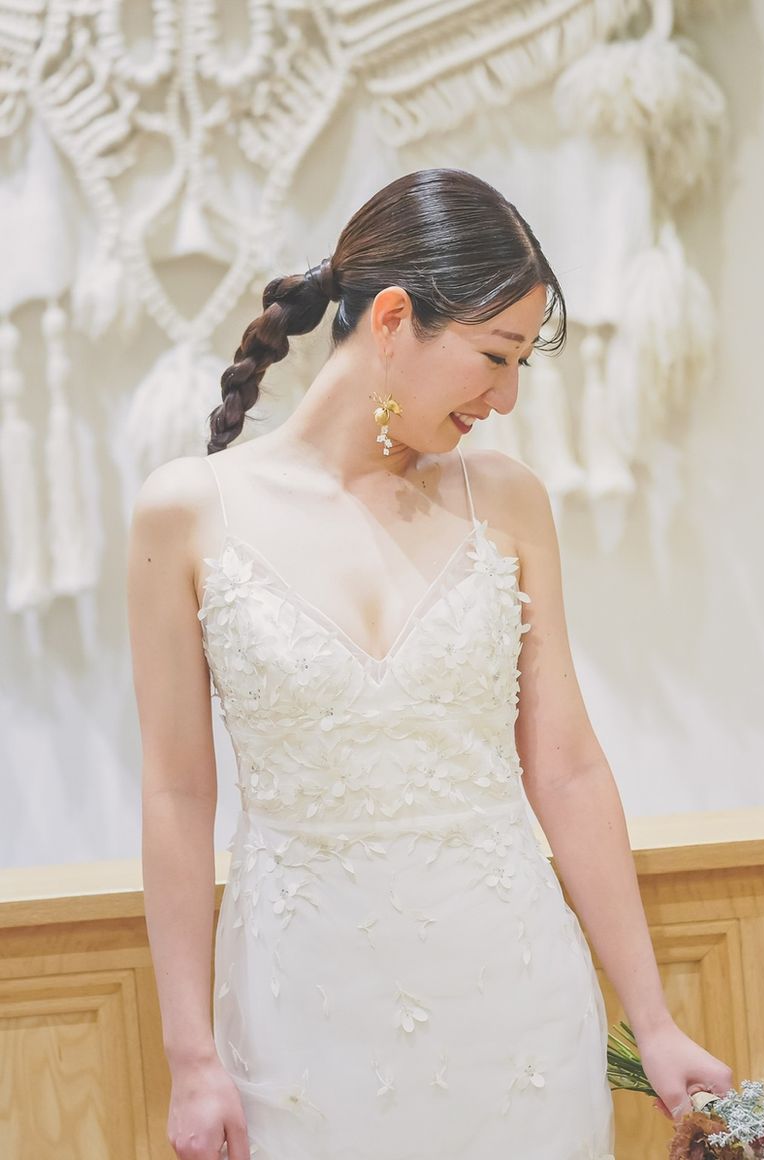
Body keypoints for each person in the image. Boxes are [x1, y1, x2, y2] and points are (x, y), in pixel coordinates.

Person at [127, 167, 731, 1160]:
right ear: (394, 318)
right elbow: (177, 794)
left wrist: (653, 1021)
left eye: (521, 364)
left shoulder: (508, 500)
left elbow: (567, 768)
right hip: (299, 1015)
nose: (506, 397)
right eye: (494, 356)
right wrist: (191, 1057)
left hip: (516, 1005)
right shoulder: (188, 512)